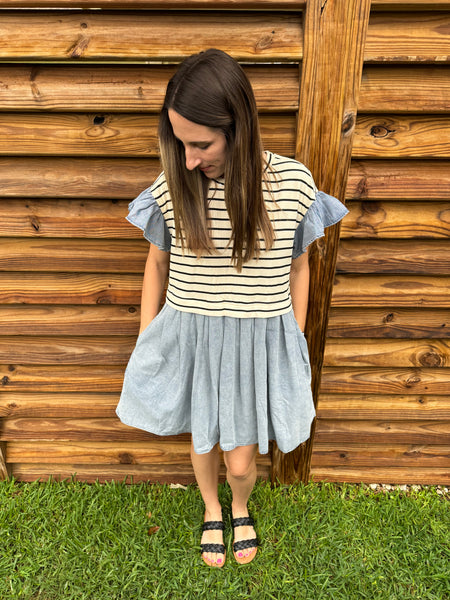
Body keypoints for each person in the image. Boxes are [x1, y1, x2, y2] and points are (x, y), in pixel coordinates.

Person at [116, 48, 348, 568]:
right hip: (192, 333)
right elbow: (156, 265)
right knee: (203, 439)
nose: (190, 159)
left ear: (239, 128)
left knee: (242, 457)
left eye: (202, 143)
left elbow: (299, 266)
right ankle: (212, 508)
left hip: (256, 337)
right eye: (180, 143)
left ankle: (239, 502)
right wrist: (147, 337)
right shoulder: (174, 184)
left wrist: (293, 334)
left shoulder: (291, 185)